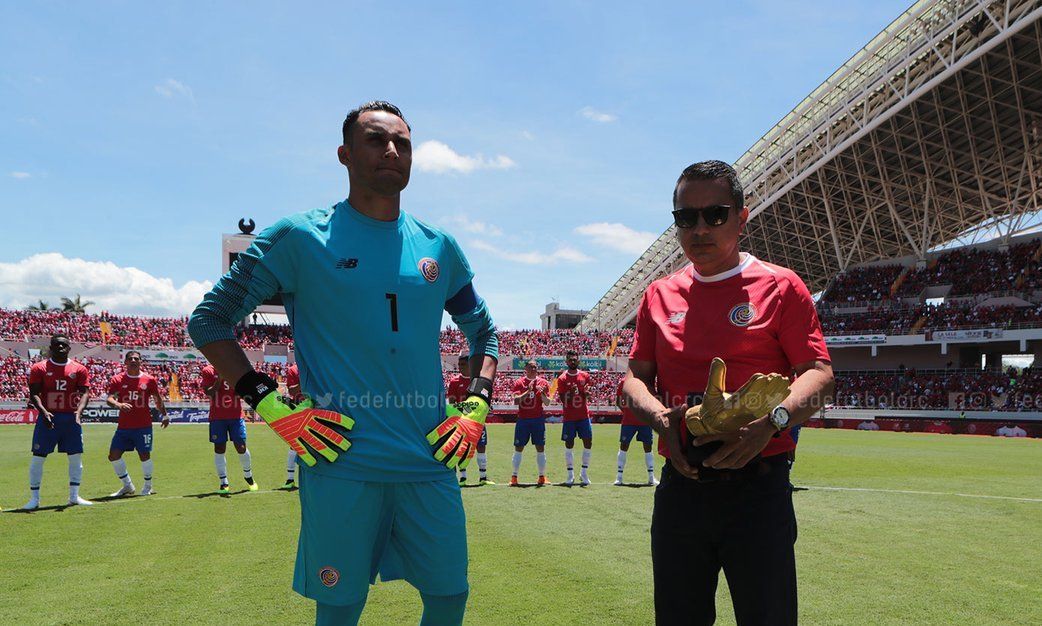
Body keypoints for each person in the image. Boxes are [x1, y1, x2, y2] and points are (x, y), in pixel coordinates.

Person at [187, 101, 498, 626]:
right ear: (344, 154)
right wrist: (271, 405)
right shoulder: (299, 238)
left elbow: (484, 334)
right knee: (340, 606)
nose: (392, 151)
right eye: (376, 140)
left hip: (429, 462)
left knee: (449, 597)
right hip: (341, 463)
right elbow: (209, 321)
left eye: (402, 142)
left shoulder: (439, 248)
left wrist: (476, 407)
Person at [622, 160, 834, 625]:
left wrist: (772, 423)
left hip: (758, 491)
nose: (699, 228)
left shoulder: (782, 286)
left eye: (714, 214)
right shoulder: (658, 294)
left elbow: (819, 374)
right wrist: (662, 419)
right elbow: (633, 380)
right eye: (686, 217)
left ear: (742, 217)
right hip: (682, 489)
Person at [23, 334, 93, 509]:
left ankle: (74, 497)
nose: (61, 348)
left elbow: (85, 392)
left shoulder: (79, 369)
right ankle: (34, 499)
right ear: (51, 348)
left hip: (70, 418)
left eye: (64, 345)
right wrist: (44, 411)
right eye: (57, 345)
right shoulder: (39, 368)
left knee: (75, 457)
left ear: (69, 348)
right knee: (38, 458)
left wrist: (79, 411)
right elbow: (34, 393)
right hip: (48, 418)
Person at [106, 351, 170, 496]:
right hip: (124, 426)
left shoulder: (149, 379)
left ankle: (148, 486)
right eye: (130, 358)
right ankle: (128, 486)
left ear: (141, 361)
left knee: (144, 455)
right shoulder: (117, 379)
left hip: (143, 425)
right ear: (126, 362)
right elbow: (109, 399)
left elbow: (157, 398)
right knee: (113, 455)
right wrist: (119, 404)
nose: (133, 360)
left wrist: (165, 415)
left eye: (136, 358)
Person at [200, 363, 257, 494]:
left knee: (241, 446)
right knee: (219, 448)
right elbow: (209, 393)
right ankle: (223, 482)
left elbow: (243, 392)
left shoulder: (235, 368)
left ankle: (248, 476)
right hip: (217, 417)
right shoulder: (208, 371)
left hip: (236, 415)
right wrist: (219, 379)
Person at [447, 351, 491, 484]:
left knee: (481, 447)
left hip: (478, 421)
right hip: (462, 421)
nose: (460, 366)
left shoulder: (478, 380)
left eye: (463, 364)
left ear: (470, 365)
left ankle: (483, 477)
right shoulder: (454, 382)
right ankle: (463, 477)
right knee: (462, 447)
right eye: (459, 364)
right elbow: (453, 403)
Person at [510, 360, 551, 486]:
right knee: (519, 448)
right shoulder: (519, 382)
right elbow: (516, 401)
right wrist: (528, 391)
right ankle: (514, 477)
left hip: (538, 419)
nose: (533, 369)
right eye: (531, 367)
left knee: (540, 448)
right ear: (526, 369)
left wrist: (543, 393)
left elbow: (547, 402)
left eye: (535, 367)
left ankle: (541, 477)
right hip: (523, 419)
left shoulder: (543, 383)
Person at [556, 350, 592, 486]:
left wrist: (586, 393)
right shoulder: (562, 379)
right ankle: (570, 474)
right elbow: (563, 400)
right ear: (566, 362)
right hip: (570, 417)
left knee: (588, 443)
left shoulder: (585, 376)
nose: (572, 361)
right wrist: (570, 394)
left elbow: (588, 395)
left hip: (583, 415)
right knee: (569, 444)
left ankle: (584, 473)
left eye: (574, 359)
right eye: (570, 360)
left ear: (578, 361)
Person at [614, 378, 656, 486]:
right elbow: (618, 400)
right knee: (624, 446)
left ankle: (651, 477)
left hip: (645, 421)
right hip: (628, 421)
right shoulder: (624, 381)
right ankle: (619, 477)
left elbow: (653, 399)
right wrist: (628, 412)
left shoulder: (648, 380)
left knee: (648, 447)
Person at [283, 362, 302, 489]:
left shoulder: (316, 366)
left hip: (318, 408)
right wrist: (305, 380)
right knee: (294, 444)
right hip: (299, 409)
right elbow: (291, 390)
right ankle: (290, 479)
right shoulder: (293, 370)